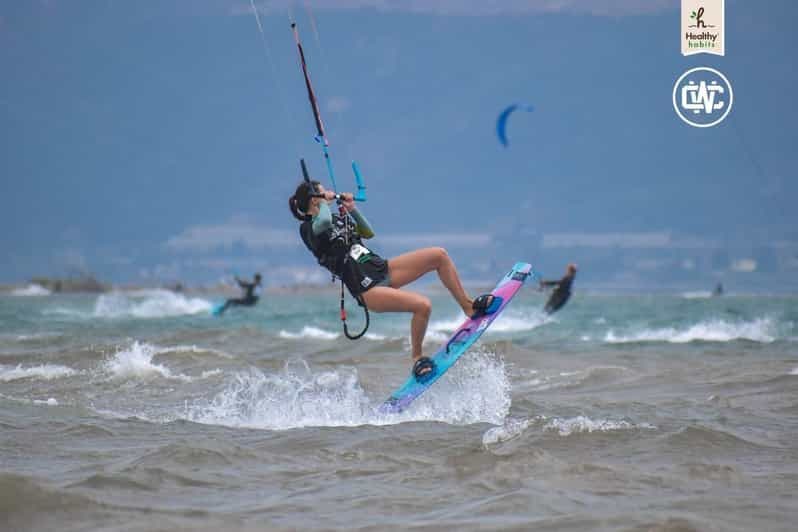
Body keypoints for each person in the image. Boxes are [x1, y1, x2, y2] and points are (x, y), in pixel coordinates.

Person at [288, 181, 499, 379]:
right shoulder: (308, 229)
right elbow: (322, 221)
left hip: (381, 268)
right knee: (423, 306)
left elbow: (368, 233)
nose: (328, 193)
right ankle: (417, 358)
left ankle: (468, 306)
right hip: (367, 289)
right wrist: (325, 201)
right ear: (314, 199)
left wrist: (352, 209)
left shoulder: (334, 218)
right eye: (322, 191)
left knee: (439, 255)